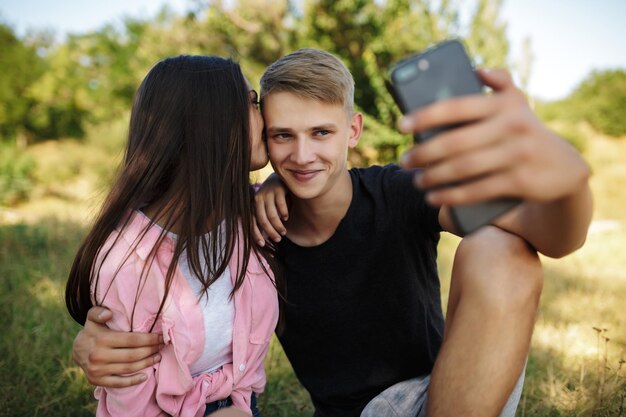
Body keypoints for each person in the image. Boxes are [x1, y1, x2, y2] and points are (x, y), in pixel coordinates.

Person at [71, 48, 593, 417]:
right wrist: (91, 339)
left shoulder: (398, 191)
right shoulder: (252, 228)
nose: (302, 156)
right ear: (264, 140)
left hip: (454, 395)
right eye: (282, 136)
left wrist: (569, 184)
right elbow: (161, 278)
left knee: (499, 246)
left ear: (353, 130)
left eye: (321, 133)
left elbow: (551, 236)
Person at [65, 55, 282, 417]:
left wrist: (278, 181)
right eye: (252, 102)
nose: (267, 116)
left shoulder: (251, 215)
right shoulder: (128, 263)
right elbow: (132, 406)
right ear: (210, 124)